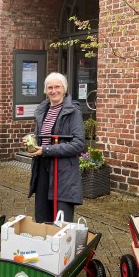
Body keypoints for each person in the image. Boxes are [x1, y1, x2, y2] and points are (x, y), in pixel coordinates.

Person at [24, 72, 86, 223]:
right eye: (49, 87)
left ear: (64, 89)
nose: (53, 91)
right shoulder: (42, 110)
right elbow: (42, 137)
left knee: (61, 221)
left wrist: (46, 150)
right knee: (42, 218)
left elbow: (79, 144)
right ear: (45, 90)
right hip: (42, 170)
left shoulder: (73, 112)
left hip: (63, 172)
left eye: (57, 87)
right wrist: (32, 143)